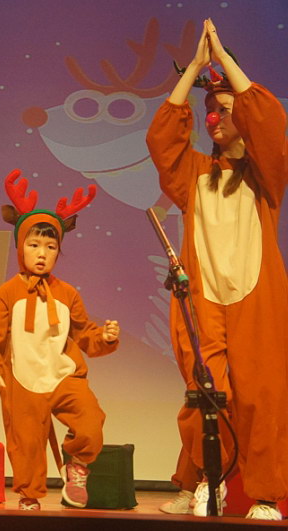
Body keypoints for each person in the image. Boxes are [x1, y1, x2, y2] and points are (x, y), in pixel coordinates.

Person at [146, 18, 288, 521]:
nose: (212, 118)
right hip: (203, 300)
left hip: (255, 300)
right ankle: (205, 481)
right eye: (208, 111)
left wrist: (225, 62)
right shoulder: (196, 174)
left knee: (261, 397)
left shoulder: (266, 175)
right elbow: (163, 141)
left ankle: (266, 495)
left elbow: (268, 122)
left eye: (223, 109)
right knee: (205, 393)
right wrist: (194, 70)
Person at [0, 171, 120, 511]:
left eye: (51, 247)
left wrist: (104, 337)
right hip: (23, 380)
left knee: (91, 421)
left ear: (58, 252)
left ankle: (77, 466)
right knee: (26, 443)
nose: (42, 253)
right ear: (20, 247)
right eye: (34, 245)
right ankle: (30, 497)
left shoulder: (66, 293)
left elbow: (84, 333)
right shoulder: (6, 294)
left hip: (64, 375)